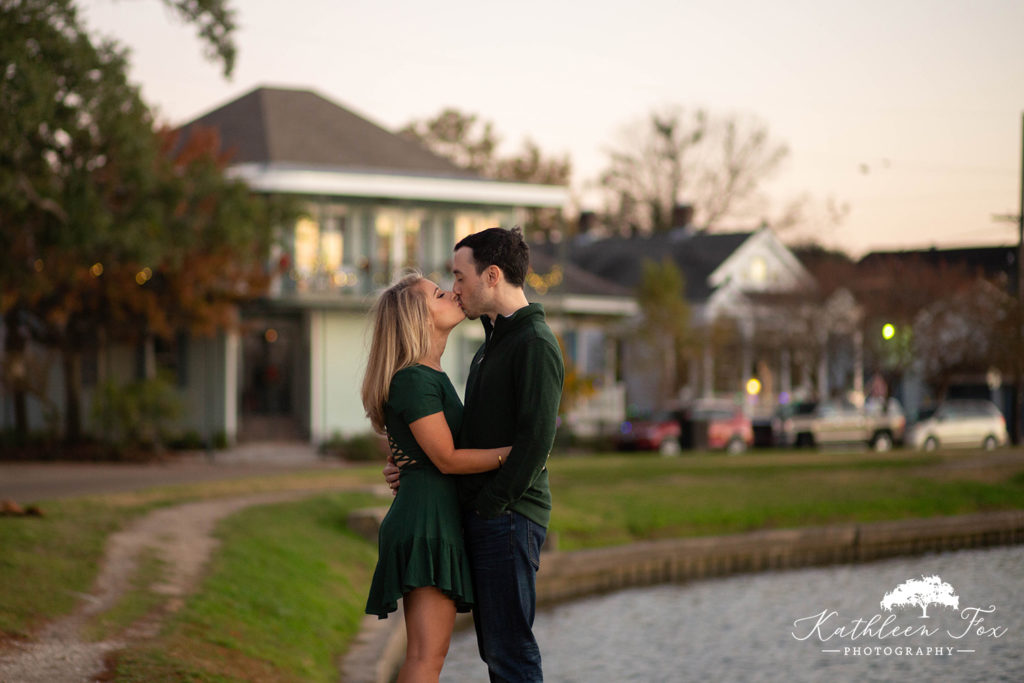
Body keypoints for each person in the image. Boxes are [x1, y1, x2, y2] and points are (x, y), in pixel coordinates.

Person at [386, 227, 565, 683]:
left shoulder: (535, 344)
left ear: (491, 276)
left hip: (507, 515)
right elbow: (464, 438)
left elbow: (535, 445)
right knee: (496, 649)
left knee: (509, 651)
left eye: (459, 277)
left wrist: (489, 507)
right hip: (486, 515)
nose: (456, 288)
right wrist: (412, 463)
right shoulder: (491, 345)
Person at [361, 272, 513, 683]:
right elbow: (446, 458)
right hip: (425, 523)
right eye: (440, 294)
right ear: (417, 317)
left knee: (431, 655)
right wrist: (517, 455)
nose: (454, 294)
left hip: (432, 516)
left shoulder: (428, 374)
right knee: (427, 657)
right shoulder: (414, 378)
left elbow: (426, 453)